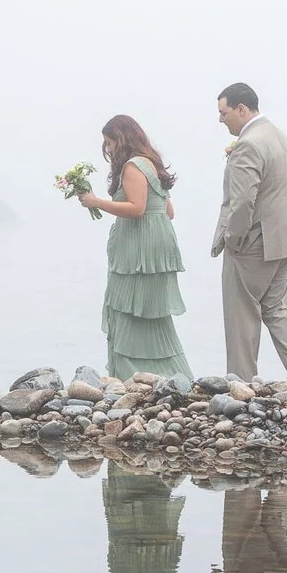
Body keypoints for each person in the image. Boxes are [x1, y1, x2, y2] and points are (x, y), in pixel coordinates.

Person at [73, 113, 193, 381]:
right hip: (157, 245)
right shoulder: (152, 164)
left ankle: (132, 377)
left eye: (109, 142)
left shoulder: (132, 166)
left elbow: (137, 209)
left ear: (121, 139)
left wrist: (97, 202)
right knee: (151, 314)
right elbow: (168, 211)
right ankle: (171, 376)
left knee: (126, 307)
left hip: (138, 249)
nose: (108, 149)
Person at [211, 82, 287, 382]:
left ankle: (240, 383)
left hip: (256, 243)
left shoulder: (249, 144)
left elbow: (243, 201)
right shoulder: (280, 137)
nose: (220, 119)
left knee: (240, 313)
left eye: (223, 112)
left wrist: (233, 239)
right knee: (276, 306)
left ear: (242, 109)